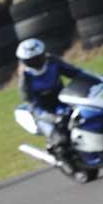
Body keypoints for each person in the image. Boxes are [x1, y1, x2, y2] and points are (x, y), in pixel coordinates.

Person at [16, 38, 86, 173]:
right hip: (43, 110)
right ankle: (65, 162)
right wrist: (52, 118)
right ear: (25, 61)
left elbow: (74, 72)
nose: (36, 62)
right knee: (59, 136)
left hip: (62, 99)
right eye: (31, 60)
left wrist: (93, 80)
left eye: (38, 57)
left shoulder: (53, 62)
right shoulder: (25, 77)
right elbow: (31, 103)